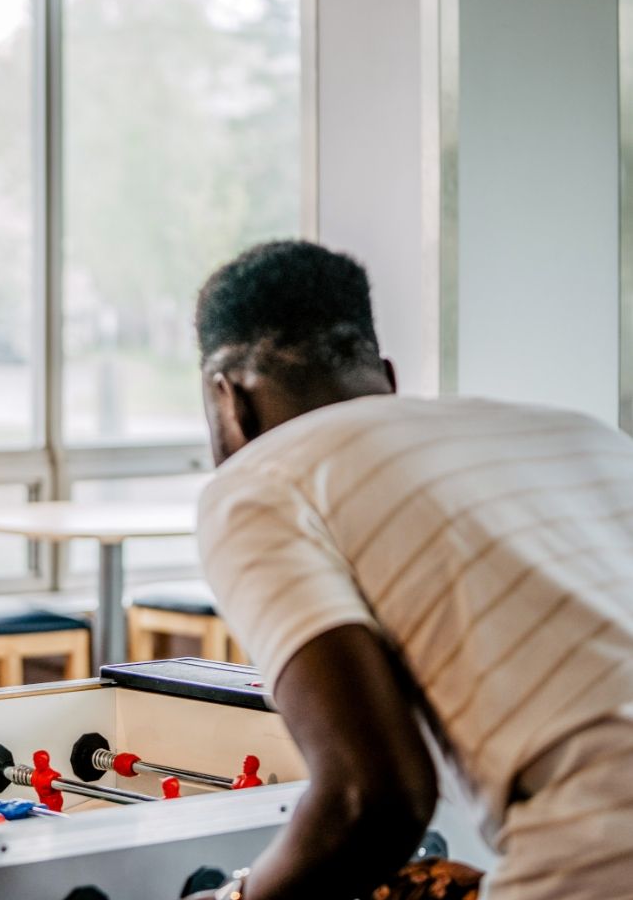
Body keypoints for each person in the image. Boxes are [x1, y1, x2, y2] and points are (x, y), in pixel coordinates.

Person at [185, 240, 633, 900]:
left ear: (228, 401)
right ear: (386, 378)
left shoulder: (259, 480)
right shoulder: (584, 432)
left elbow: (373, 799)